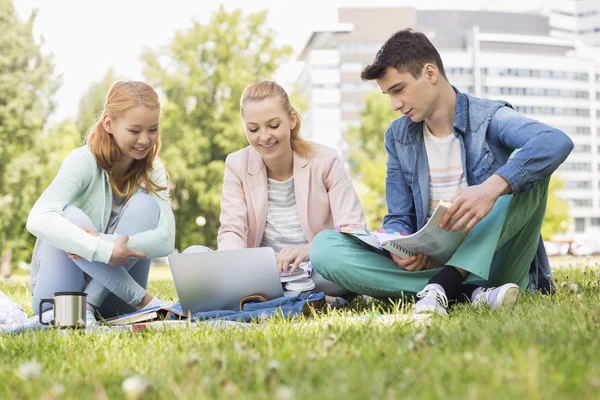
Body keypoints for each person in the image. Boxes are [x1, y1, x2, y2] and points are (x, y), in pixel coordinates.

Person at [310, 29, 574, 316]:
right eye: (388, 95)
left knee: (527, 172)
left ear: (430, 73)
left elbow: (555, 141)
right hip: (433, 264)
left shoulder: (488, 118)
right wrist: (399, 244)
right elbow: (398, 216)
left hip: (496, 262)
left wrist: (490, 189)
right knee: (325, 248)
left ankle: (444, 286)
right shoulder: (397, 137)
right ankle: (466, 293)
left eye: (398, 90)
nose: (394, 104)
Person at [184, 80, 366, 297]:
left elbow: (352, 229)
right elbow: (232, 229)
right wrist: (229, 263)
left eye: (273, 125)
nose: (264, 136)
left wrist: (309, 251)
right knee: (192, 256)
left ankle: (287, 295)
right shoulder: (236, 164)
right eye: (253, 129)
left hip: (315, 270)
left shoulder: (325, 160)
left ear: (291, 119)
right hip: (259, 274)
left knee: (336, 267)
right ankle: (285, 295)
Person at [27, 80, 176, 324]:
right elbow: (38, 217)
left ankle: (89, 304)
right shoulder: (82, 160)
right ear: (108, 123)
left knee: (145, 205)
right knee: (70, 216)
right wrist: (101, 250)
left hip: (114, 299)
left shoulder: (153, 169)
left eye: (153, 129)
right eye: (135, 130)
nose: (145, 140)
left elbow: (166, 238)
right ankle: (141, 299)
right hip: (62, 297)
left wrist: (105, 243)